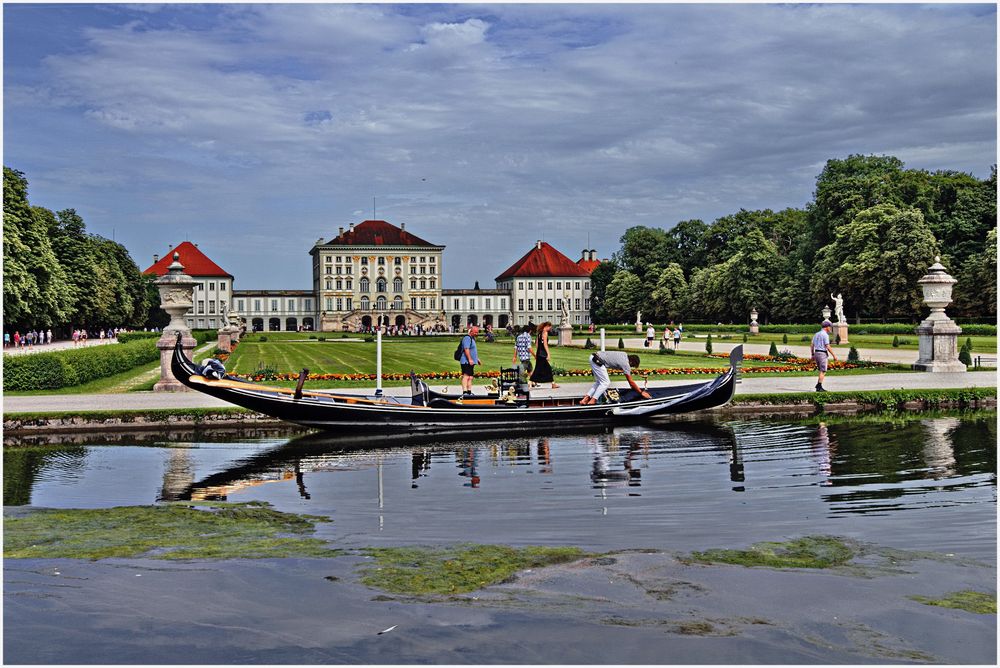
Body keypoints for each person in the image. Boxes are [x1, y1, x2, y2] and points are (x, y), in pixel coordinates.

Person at [579, 351, 652, 405]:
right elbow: (631, 382)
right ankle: (593, 401)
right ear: (631, 362)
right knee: (605, 382)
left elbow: (616, 362)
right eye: (632, 366)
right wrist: (641, 392)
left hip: (593, 357)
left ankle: (585, 399)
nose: (631, 367)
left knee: (599, 382)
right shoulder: (626, 364)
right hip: (598, 361)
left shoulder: (624, 354)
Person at [529, 322, 559, 389]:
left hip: (539, 353)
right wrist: (548, 354)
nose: (550, 329)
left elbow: (536, 344)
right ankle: (530, 382)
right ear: (546, 326)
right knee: (543, 369)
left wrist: (539, 350)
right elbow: (545, 344)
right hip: (542, 354)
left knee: (542, 368)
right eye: (549, 327)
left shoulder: (539, 333)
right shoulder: (545, 333)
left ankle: (553, 384)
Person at [810, 320, 838, 392]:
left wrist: (812, 354)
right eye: (830, 327)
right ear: (827, 327)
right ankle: (819, 386)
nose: (830, 328)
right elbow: (827, 346)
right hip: (822, 354)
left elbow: (812, 345)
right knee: (823, 370)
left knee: (821, 370)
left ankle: (819, 386)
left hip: (816, 353)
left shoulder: (816, 334)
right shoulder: (825, 335)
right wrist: (834, 355)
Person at [459, 325, 481, 396]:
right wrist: (470, 359)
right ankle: (465, 392)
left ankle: (469, 391)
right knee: (466, 376)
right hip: (466, 361)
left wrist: (477, 359)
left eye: (477, 332)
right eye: (475, 332)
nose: (476, 334)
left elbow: (473, 350)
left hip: (471, 361)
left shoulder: (472, 338)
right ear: (471, 331)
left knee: (470, 377)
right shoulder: (467, 338)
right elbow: (466, 349)